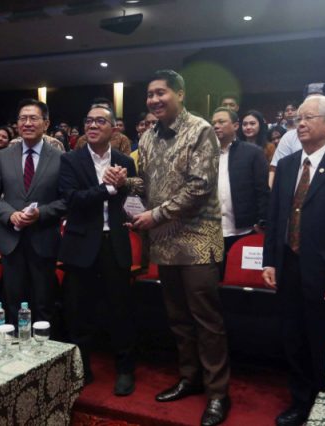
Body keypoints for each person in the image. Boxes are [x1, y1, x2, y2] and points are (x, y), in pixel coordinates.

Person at [127, 70, 230, 426]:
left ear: (180, 94)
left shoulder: (201, 130)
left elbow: (200, 186)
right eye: (150, 94)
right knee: (178, 318)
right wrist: (125, 182)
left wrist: (155, 215)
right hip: (165, 240)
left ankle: (218, 393)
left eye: (161, 93)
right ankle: (190, 378)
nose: (154, 100)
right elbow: (147, 184)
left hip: (198, 239)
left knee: (207, 321)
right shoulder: (148, 136)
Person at [262, 95, 325, 426]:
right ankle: (300, 401)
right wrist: (269, 261)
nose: (301, 124)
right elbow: (275, 216)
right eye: (298, 119)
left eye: (309, 118)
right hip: (288, 266)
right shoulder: (288, 164)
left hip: (324, 272)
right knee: (292, 338)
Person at [59, 105, 137, 396]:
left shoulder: (124, 161)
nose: (92, 126)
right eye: (88, 121)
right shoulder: (70, 160)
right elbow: (72, 200)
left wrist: (126, 193)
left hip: (114, 242)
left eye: (100, 121)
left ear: (113, 128)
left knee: (121, 310)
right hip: (81, 244)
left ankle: (125, 369)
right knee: (79, 311)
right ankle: (82, 369)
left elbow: (131, 201)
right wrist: (107, 188)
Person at [0, 99, 66, 328]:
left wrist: (41, 213)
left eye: (33, 118)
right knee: (12, 302)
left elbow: (67, 200)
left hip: (44, 238)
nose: (27, 123)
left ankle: (43, 348)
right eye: (23, 118)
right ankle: (14, 348)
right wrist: (10, 215)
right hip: (12, 240)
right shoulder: (4, 156)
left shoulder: (60, 158)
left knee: (43, 303)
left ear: (46, 124)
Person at [212, 107, 268, 275]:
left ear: (236, 126)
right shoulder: (204, 154)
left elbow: (262, 190)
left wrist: (262, 221)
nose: (216, 126)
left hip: (244, 230)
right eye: (213, 123)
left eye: (221, 121)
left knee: (240, 279)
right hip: (211, 231)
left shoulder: (252, 153)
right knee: (213, 280)